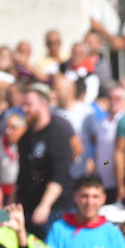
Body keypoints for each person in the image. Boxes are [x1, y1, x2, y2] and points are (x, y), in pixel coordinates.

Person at [16, 82, 75, 236]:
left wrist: (45, 205)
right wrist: (10, 206)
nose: (24, 109)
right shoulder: (25, 138)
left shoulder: (58, 132)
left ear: (43, 105)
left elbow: (60, 174)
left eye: (28, 105)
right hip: (29, 208)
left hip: (54, 210)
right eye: (23, 105)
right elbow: (21, 177)